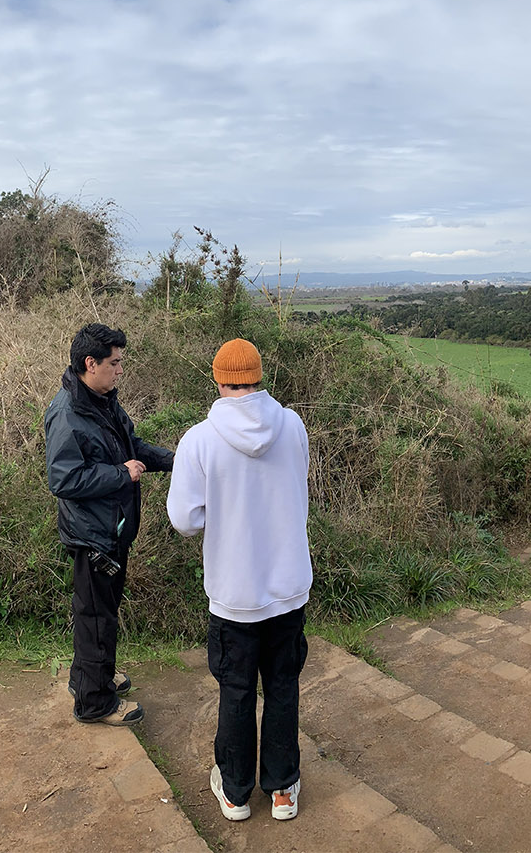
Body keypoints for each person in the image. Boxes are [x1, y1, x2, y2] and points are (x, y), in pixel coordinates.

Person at [167, 338, 313, 822]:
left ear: (218, 379)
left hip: (234, 594)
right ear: (259, 376)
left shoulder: (200, 440)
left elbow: (185, 519)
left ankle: (234, 792)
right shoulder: (292, 425)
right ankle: (283, 790)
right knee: (283, 686)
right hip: (289, 586)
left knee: (236, 690)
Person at [45, 323, 175, 726]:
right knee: (96, 618)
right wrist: (122, 475)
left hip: (113, 530)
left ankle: (90, 678)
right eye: (115, 363)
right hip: (92, 536)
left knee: (101, 614)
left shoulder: (103, 401)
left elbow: (133, 447)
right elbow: (63, 480)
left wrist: (178, 459)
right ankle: (95, 703)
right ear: (91, 364)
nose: (120, 370)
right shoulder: (67, 413)